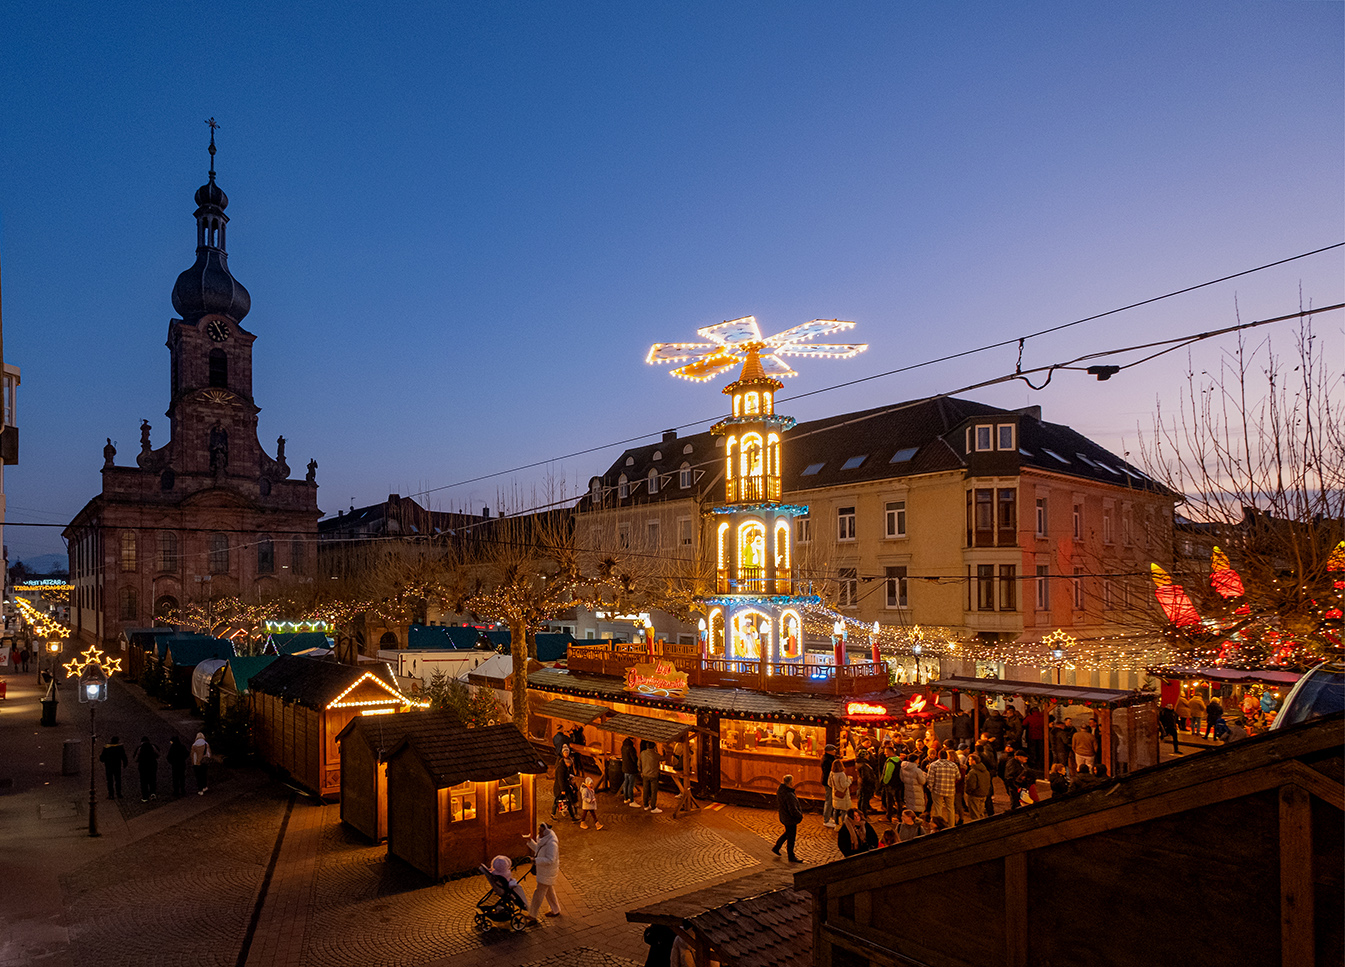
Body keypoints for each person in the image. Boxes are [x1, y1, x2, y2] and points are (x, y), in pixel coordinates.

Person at [525, 822, 562, 919]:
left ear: (546, 832)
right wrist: (530, 841)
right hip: (544, 871)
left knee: (539, 893)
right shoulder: (544, 840)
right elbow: (539, 849)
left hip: (548, 872)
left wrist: (535, 860)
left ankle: (532, 915)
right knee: (549, 891)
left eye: (541, 831)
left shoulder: (552, 844)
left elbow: (550, 859)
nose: (539, 833)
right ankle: (556, 910)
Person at [771, 773, 805, 863]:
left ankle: (777, 847)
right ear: (790, 783)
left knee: (787, 833)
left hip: (784, 816)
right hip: (790, 819)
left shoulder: (781, 791)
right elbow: (792, 809)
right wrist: (799, 815)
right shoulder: (789, 794)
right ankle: (791, 856)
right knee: (791, 837)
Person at [925, 750, 960, 827]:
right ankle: (951, 825)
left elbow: (930, 779)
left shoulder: (934, 765)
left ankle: (939, 825)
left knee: (938, 808)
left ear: (938, 756)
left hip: (937, 790)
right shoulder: (953, 765)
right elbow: (958, 776)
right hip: (950, 790)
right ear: (947, 756)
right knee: (950, 809)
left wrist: (930, 788)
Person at [963, 749, 992, 820]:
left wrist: (968, 791)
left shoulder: (973, 772)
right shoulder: (985, 771)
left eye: (970, 760)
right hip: (983, 794)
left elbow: (971, 785)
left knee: (975, 815)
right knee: (981, 813)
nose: (968, 761)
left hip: (975, 795)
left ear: (973, 761)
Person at [879, 745, 903, 822]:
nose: (885, 753)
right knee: (899, 800)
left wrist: (884, 782)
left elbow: (888, 774)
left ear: (889, 752)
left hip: (891, 784)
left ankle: (889, 816)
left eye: (886, 752)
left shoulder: (890, 761)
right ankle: (899, 815)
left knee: (889, 800)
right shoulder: (899, 760)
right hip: (898, 783)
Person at [552, 751, 578, 820]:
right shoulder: (561, 769)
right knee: (557, 801)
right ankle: (553, 814)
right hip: (560, 789)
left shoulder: (564, 767)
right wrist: (562, 790)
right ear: (567, 763)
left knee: (568, 801)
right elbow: (560, 780)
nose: (570, 765)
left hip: (564, 787)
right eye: (569, 764)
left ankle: (573, 816)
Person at [134, 735, 160, 802]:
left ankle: (145, 797)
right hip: (152, 766)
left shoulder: (140, 748)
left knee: (143, 782)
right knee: (152, 780)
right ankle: (153, 794)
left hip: (143, 767)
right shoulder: (152, 746)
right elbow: (158, 754)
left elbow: (136, 759)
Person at [639, 740, 662, 813]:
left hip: (645, 774)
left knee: (645, 790)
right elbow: (663, 758)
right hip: (653, 775)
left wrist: (641, 771)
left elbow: (639, 763)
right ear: (654, 747)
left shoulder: (642, 753)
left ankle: (646, 805)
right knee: (653, 791)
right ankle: (653, 807)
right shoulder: (655, 755)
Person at [820, 743, 838, 827]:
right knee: (829, 801)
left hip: (828, 782)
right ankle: (826, 820)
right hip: (828, 783)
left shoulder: (829, 758)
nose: (835, 751)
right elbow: (828, 773)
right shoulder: (827, 761)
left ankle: (828, 818)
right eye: (833, 750)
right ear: (828, 751)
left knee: (830, 800)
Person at [620, 735, 639, 804]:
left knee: (626, 784)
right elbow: (634, 759)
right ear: (632, 739)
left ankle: (626, 798)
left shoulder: (623, 747)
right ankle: (631, 800)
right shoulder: (631, 748)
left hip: (625, 768)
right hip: (631, 769)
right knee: (631, 785)